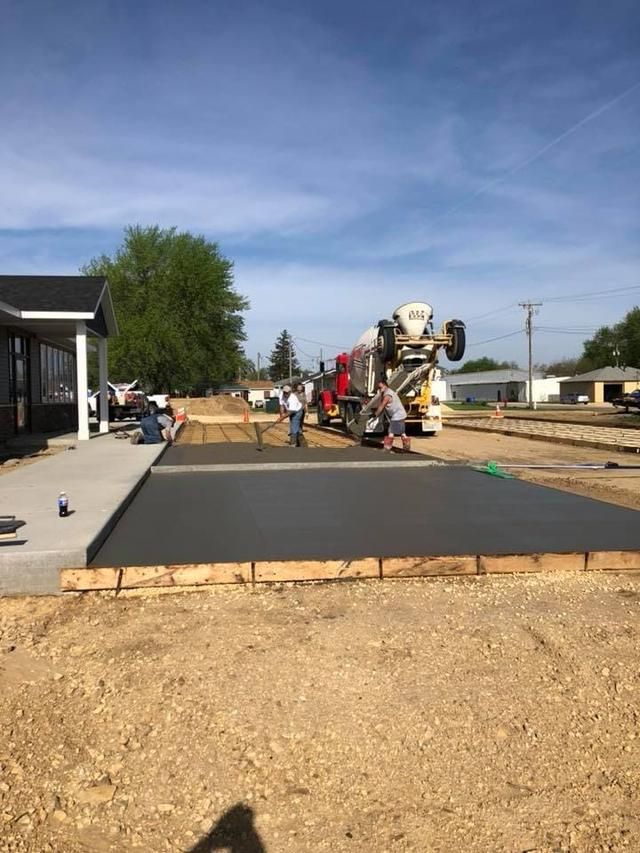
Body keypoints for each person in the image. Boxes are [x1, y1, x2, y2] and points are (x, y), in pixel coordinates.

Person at [374, 378, 410, 452]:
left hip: (397, 415)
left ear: (385, 385)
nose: (380, 390)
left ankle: (387, 448)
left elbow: (382, 406)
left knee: (391, 431)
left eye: (380, 388)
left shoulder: (387, 395)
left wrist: (375, 414)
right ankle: (406, 446)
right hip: (400, 414)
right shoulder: (387, 392)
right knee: (401, 431)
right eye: (378, 388)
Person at [295, 382, 309, 447]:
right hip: (296, 411)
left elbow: (305, 403)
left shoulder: (304, 394)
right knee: (296, 425)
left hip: (302, 411)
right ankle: (297, 439)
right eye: (298, 387)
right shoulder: (294, 395)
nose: (299, 388)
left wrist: (307, 412)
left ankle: (299, 438)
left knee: (301, 424)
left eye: (300, 387)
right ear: (296, 388)